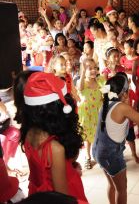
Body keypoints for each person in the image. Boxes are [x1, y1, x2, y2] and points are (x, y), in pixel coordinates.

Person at [14, 72, 87, 201]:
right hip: (63, 194)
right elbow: (63, 199)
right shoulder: (55, 149)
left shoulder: (28, 132)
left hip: (38, 194)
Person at [92, 73, 139, 204]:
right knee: (122, 189)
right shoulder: (122, 107)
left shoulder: (106, 102)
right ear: (124, 92)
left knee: (112, 185)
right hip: (111, 155)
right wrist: (130, 105)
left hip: (99, 151)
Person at [77, 58, 106, 169]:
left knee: (98, 134)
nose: (93, 70)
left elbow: (105, 95)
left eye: (95, 68)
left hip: (98, 112)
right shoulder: (82, 82)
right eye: (90, 68)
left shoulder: (100, 80)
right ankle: (88, 157)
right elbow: (80, 88)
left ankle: (99, 155)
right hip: (86, 114)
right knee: (87, 137)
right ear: (84, 70)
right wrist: (83, 72)